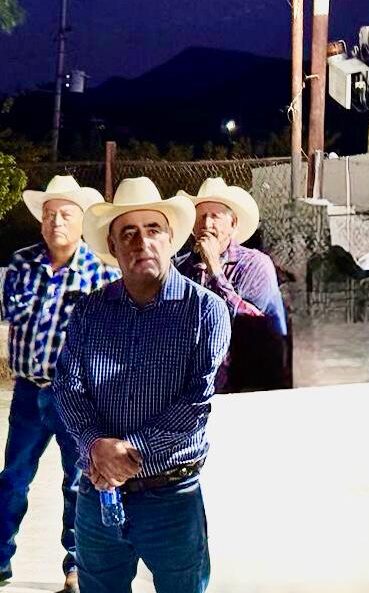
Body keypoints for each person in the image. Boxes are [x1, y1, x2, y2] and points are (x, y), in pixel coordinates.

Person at [52, 177, 231, 593]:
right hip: (97, 496)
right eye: (128, 233)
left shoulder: (205, 311)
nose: (142, 242)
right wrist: (95, 444)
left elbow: (195, 404)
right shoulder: (90, 311)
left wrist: (128, 450)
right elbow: (68, 387)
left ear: (171, 238)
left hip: (171, 498)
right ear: (112, 246)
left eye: (153, 229)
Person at [0, 175, 117, 592]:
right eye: (49, 214)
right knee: (13, 478)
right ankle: (0, 559)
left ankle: (76, 567)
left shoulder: (99, 274)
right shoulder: (21, 264)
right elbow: (11, 316)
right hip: (28, 392)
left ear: (82, 220)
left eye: (65, 214)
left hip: (75, 398)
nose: (56, 222)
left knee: (77, 482)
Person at [175, 177, 289, 392]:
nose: (206, 224)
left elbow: (249, 325)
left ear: (233, 223)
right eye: (201, 217)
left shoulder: (255, 264)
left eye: (215, 216)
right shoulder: (182, 268)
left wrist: (214, 270)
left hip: (247, 382)